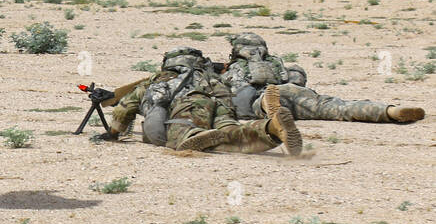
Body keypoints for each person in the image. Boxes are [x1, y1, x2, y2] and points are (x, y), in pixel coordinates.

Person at [101, 47, 304, 155]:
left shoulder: (161, 79)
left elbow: (125, 108)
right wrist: (226, 115)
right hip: (220, 105)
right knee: (230, 133)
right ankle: (270, 127)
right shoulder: (210, 77)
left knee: (184, 135)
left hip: (187, 107)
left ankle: (196, 135)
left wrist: (112, 133)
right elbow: (226, 93)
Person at [225, 33, 424, 123]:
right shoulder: (277, 64)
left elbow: (233, 94)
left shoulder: (235, 68)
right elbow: (298, 76)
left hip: (265, 99)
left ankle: (269, 106)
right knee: (339, 107)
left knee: (257, 104)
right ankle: (389, 111)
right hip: (294, 92)